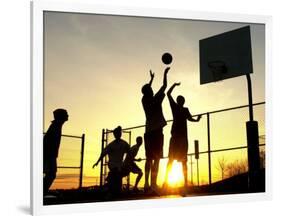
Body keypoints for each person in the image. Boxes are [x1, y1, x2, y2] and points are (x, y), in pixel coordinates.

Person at [163, 83, 201, 188]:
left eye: (181, 100)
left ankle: (183, 183)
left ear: (182, 102)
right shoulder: (176, 107)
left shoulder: (183, 109)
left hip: (181, 138)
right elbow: (168, 93)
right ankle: (167, 182)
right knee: (173, 160)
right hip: (177, 137)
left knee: (181, 160)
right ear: (180, 101)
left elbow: (190, 118)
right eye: (179, 99)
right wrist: (174, 85)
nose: (180, 101)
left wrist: (196, 120)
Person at [141, 67, 170, 190]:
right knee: (157, 159)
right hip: (157, 132)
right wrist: (164, 73)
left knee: (149, 159)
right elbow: (164, 85)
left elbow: (146, 89)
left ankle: (146, 183)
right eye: (151, 88)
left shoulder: (144, 99)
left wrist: (151, 79)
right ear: (150, 92)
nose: (152, 89)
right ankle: (153, 183)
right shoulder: (156, 99)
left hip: (148, 132)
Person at [93, 126, 130, 194]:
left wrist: (131, 161)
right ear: (114, 135)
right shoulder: (111, 145)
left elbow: (130, 152)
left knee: (118, 176)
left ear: (120, 134)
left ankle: (113, 186)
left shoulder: (124, 143)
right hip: (112, 164)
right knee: (116, 172)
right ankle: (110, 182)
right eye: (116, 134)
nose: (117, 135)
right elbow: (103, 154)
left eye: (119, 133)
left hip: (120, 164)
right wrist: (97, 162)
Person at [43, 108, 69, 195]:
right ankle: (41, 192)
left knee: (50, 174)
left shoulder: (56, 125)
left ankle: (41, 191)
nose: (68, 115)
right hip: (49, 155)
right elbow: (47, 141)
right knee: (51, 174)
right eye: (66, 114)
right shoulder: (55, 126)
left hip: (50, 155)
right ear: (61, 116)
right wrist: (48, 155)